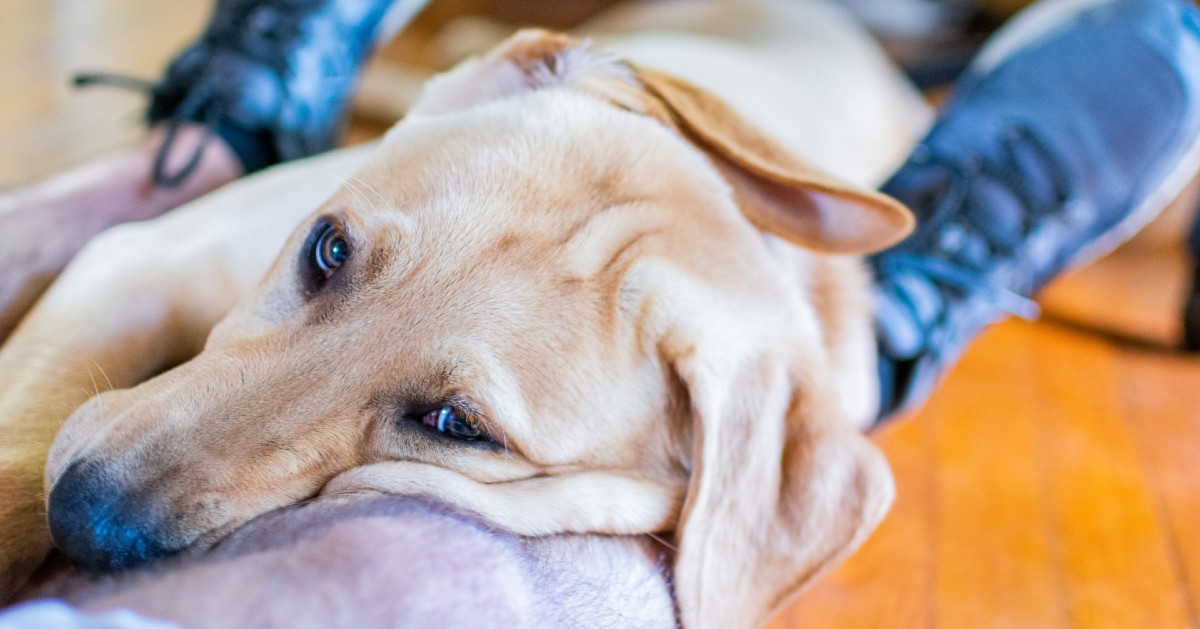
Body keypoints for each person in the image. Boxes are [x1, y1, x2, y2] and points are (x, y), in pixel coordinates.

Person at [1, 0, 1199, 626]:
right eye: (327, 256)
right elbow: (134, 271)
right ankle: (231, 124)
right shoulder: (508, 133)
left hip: (872, 60)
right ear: (472, 96)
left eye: (450, 417)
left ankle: (866, 341)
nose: (124, 472)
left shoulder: (705, 380)